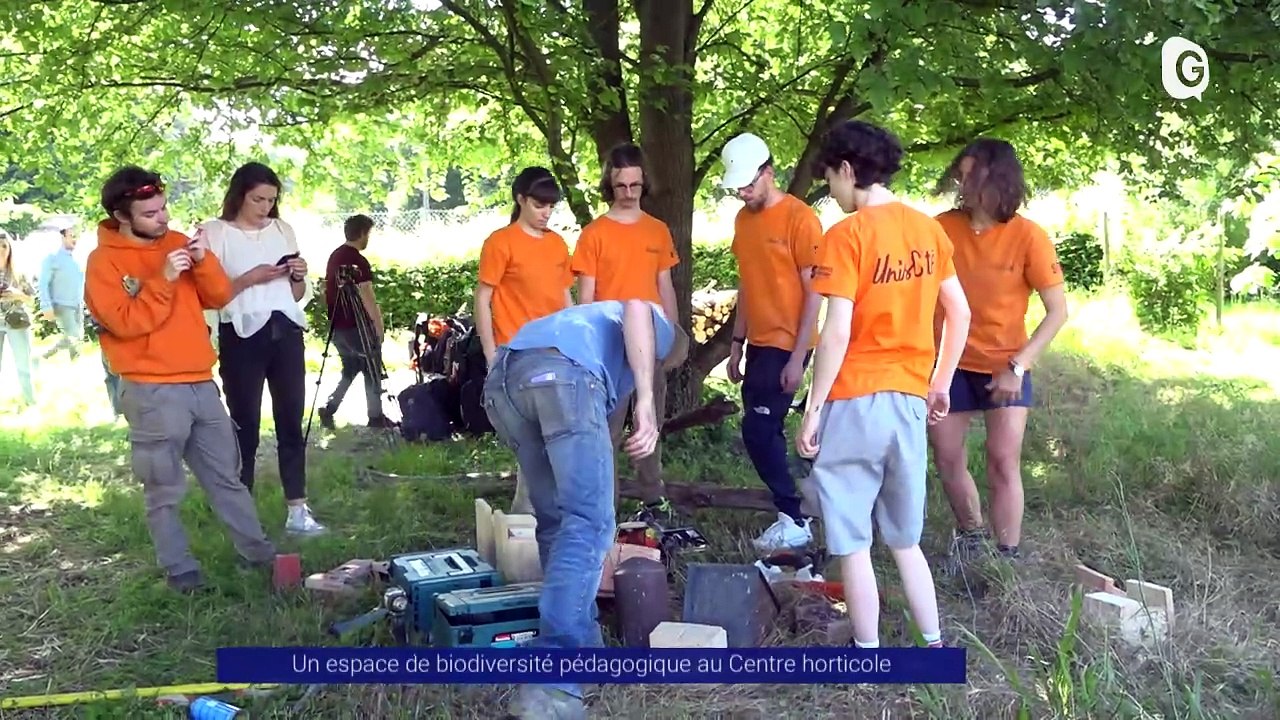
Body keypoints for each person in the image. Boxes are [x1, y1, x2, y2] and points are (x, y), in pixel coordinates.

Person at [796, 120, 972, 650]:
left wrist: (813, 406)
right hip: (908, 402)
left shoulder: (846, 236)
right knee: (905, 540)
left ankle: (867, 653)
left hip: (853, 401)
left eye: (830, 178)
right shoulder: (928, 230)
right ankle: (933, 645)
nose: (831, 190)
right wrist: (939, 383)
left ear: (848, 170)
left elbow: (837, 331)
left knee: (852, 543)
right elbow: (959, 312)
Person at [83, 166, 277, 593]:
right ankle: (181, 572)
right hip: (150, 389)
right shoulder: (104, 262)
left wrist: (204, 260)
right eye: (150, 214)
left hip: (200, 382)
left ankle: (261, 558)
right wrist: (164, 279)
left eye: (164, 208)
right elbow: (126, 323)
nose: (164, 219)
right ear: (122, 216)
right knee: (163, 487)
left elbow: (219, 296)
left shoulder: (176, 244)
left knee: (227, 475)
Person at [484, 299, 677, 720]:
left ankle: (586, 650)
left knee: (557, 521)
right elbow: (639, 308)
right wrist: (646, 402)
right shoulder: (653, 325)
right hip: (560, 377)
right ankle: (553, 679)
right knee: (590, 523)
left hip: (504, 383)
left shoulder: (586, 323)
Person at [929, 138, 1069, 566]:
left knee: (1002, 460)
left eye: (971, 173)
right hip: (948, 365)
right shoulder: (940, 228)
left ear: (998, 179)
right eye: (960, 171)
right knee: (948, 457)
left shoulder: (1028, 236)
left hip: (1006, 364)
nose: (961, 180)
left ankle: (1007, 556)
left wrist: (1018, 367)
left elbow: (1057, 312)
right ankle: (972, 536)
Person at [198, 161, 325, 536]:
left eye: (271, 199)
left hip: (285, 329)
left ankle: (298, 510)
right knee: (244, 425)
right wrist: (250, 279)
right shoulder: (216, 232)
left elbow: (297, 295)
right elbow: (211, 295)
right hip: (241, 333)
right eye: (258, 199)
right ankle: (241, 510)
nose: (265, 207)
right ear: (239, 195)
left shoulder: (283, 229)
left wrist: (298, 275)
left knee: (291, 421)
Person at [718, 132, 825, 553]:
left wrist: (799, 357)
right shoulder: (743, 221)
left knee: (759, 429)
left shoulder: (800, 219)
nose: (743, 192)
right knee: (763, 428)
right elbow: (747, 282)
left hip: (789, 342)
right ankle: (803, 506)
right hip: (758, 341)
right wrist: (736, 342)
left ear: (769, 172)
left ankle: (795, 517)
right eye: (738, 187)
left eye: (749, 183)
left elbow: (815, 292)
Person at [570, 142, 687, 522]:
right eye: (621, 186)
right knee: (607, 429)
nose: (629, 193)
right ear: (610, 184)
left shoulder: (657, 230)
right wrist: (586, 348)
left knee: (649, 421)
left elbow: (664, 283)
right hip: (608, 342)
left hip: (651, 336)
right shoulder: (594, 234)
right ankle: (605, 506)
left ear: (644, 184)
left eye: (635, 185)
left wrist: (671, 329)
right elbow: (586, 296)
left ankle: (653, 501)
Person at [474, 166, 574, 514]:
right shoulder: (500, 243)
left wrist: (576, 342)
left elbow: (565, 298)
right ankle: (526, 512)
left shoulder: (558, 244)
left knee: (556, 436)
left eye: (551, 206)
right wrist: (491, 354)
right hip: (516, 354)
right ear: (520, 200)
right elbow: (483, 299)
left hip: (557, 353)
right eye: (539, 205)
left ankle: (541, 511)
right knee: (531, 438)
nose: (546, 212)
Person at [316, 213, 392, 429]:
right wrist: (378, 325)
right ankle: (376, 416)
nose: (368, 238)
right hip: (358, 325)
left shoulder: (335, 256)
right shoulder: (359, 261)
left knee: (350, 368)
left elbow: (326, 289)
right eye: (368, 234)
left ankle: (330, 407)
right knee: (372, 367)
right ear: (361, 233)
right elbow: (366, 294)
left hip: (337, 325)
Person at [37, 215, 86, 361]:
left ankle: (72, 363)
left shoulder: (77, 259)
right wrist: (46, 305)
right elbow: (43, 283)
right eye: (71, 236)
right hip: (62, 305)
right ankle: (46, 355)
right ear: (63, 237)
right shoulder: (52, 258)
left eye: (76, 236)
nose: (74, 239)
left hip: (77, 304)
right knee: (73, 336)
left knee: (77, 337)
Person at [0, 230, 37, 407]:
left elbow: (31, 298)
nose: (1, 250)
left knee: (23, 366)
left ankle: (30, 402)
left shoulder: (19, 271)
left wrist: (17, 294)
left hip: (17, 322)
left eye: (4, 246)